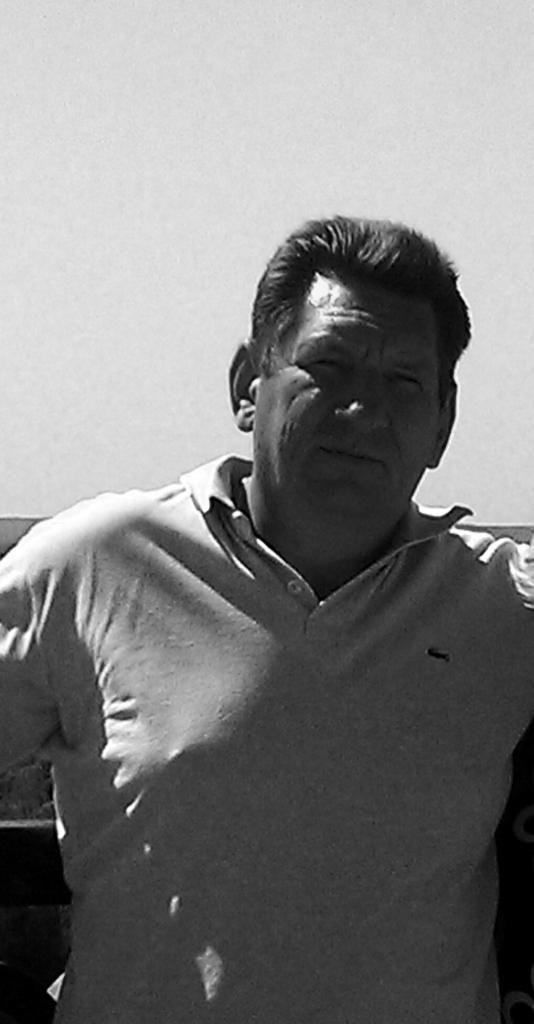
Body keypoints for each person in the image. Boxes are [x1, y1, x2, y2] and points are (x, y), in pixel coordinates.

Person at [0, 215, 533, 1023]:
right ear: (249, 384)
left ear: (443, 422)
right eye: (329, 365)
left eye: (404, 381)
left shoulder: (502, 606)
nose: (365, 409)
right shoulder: (94, 566)